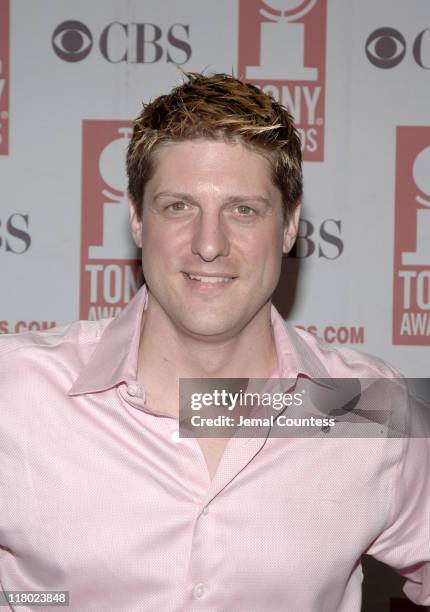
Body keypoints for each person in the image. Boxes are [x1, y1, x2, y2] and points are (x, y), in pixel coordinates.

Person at [0, 72, 429, 611]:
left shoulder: (364, 407)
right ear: (136, 218)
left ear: (291, 225)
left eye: (243, 210)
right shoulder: (15, 395)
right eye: (178, 206)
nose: (209, 244)